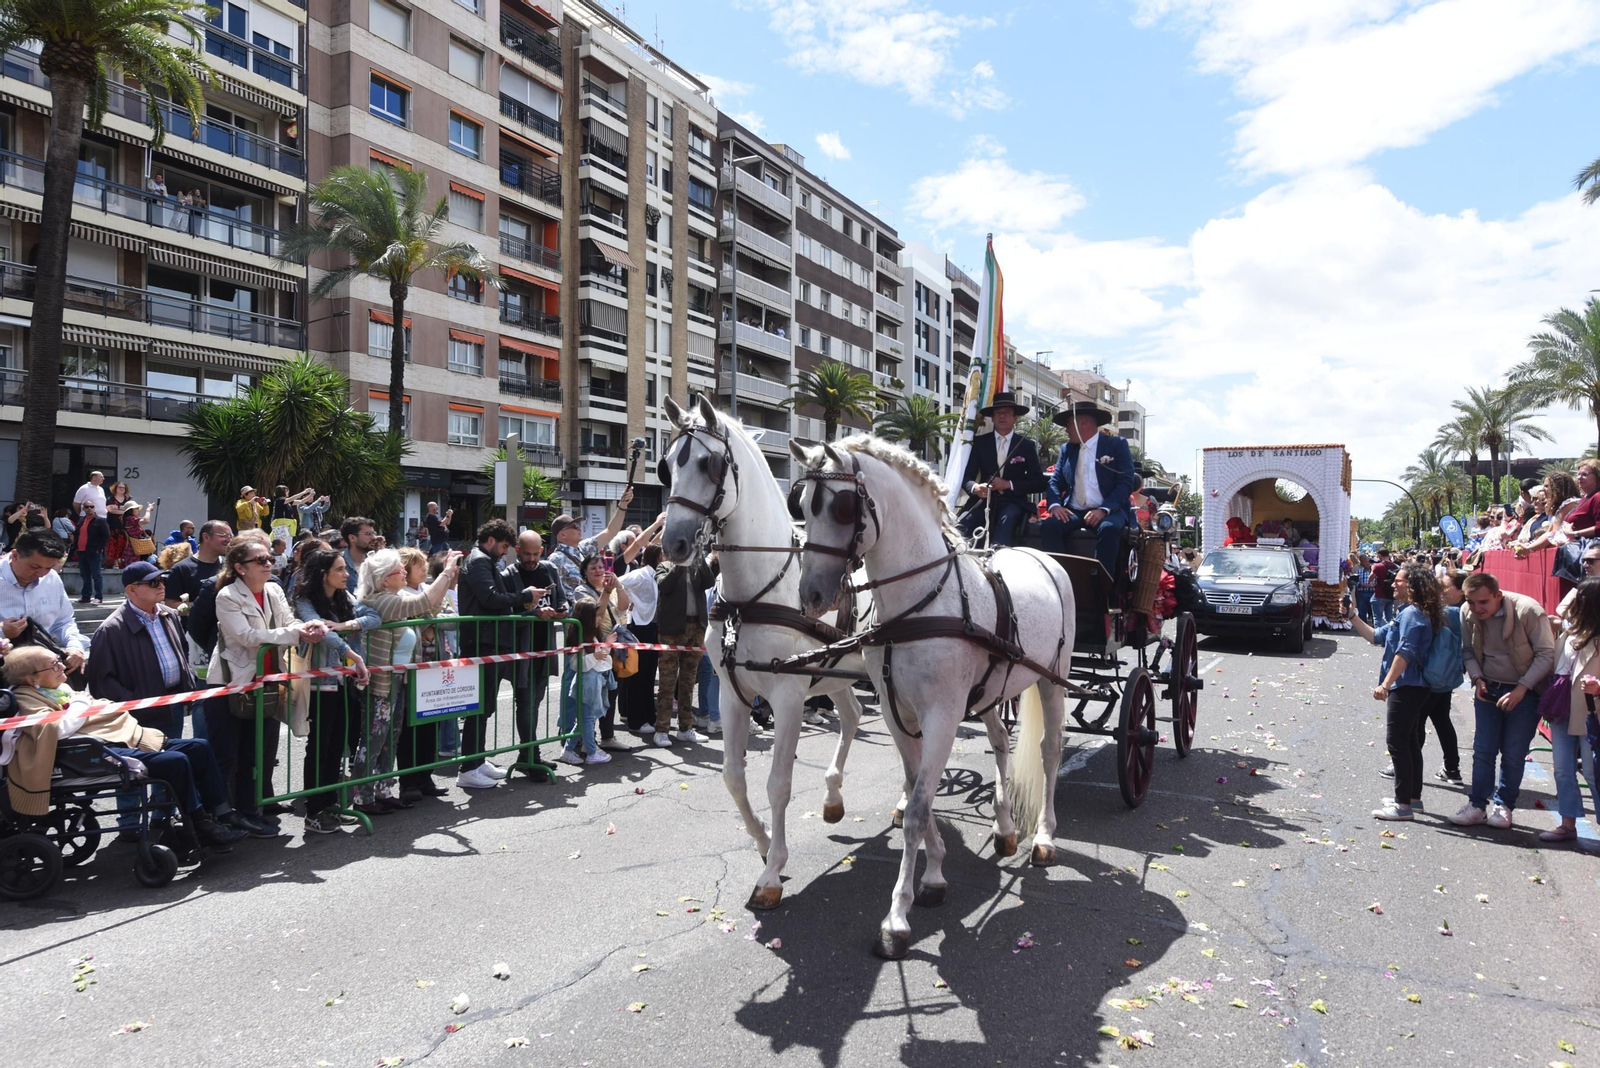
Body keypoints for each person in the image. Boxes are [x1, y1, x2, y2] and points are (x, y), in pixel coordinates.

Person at [5, 645, 245, 859]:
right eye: (53, 665)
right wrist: (81, 704)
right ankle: (201, 824)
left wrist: (84, 706)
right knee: (176, 760)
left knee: (198, 747)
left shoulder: (59, 688)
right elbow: (57, 730)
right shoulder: (26, 698)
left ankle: (220, 812)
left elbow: (86, 710)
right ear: (31, 679)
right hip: (95, 753)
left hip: (116, 739)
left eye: (58, 661)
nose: (61, 666)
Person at [209, 536, 327, 830]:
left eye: (270, 559)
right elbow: (247, 637)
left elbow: (289, 620)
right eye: (260, 560)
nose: (268, 564)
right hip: (234, 682)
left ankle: (251, 810)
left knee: (256, 753)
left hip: (268, 680)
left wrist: (305, 627)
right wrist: (296, 634)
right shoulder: (227, 596)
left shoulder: (274, 589)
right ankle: (222, 816)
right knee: (228, 754)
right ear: (240, 567)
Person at [1448, 572, 1557, 830]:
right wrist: (1477, 678)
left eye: (1483, 602)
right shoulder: (1466, 611)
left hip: (1526, 692)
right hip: (1488, 688)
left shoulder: (1528, 610)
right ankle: (1477, 805)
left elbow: (1546, 654)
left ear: (1498, 595)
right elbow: (1467, 651)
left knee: (1514, 753)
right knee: (1483, 750)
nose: (1477, 608)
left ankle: (1504, 805)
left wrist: (1522, 688)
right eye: (1471, 602)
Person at [356, 547, 460, 813]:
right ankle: (363, 797)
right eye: (398, 570)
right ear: (383, 578)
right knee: (374, 740)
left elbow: (432, 607)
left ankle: (383, 790)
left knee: (390, 739)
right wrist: (447, 572)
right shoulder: (382, 600)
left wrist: (447, 577)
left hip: (398, 681)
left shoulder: (395, 596)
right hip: (381, 683)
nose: (403, 571)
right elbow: (424, 602)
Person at [456, 519, 542, 789]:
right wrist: (525, 595)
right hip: (483, 642)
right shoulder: (479, 561)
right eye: (504, 546)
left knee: (484, 707)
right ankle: (468, 768)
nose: (506, 552)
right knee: (479, 708)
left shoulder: (484, 560)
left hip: (490, 642)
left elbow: (494, 601)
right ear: (491, 540)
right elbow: (490, 599)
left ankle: (477, 761)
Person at [1350, 562, 1439, 820]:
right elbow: (1376, 636)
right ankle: (1412, 799)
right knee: (1409, 742)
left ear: (1412, 585)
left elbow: (1405, 652)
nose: (1392, 584)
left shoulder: (1412, 614)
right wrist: (1352, 616)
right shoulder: (1409, 612)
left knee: (1398, 743)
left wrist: (1386, 684)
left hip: (1408, 686)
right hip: (1411, 686)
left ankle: (1402, 805)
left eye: (1398, 580)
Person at [1040, 398, 1139, 580]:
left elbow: (1125, 483)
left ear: (1083, 423)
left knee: (1109, 528)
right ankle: (1060, 580)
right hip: (1075, 511)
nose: (1066, 429)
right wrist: (1055, 506)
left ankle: (1101, 586)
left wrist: (1103, 509)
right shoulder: (1067, 449)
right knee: (1049, 526)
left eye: (1069, 424)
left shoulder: (1116, 445)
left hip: (1109, 511)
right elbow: (1055, 482)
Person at [1544, 575, 1600, 844]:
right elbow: (1561, 609)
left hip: (1592, 713)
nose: (1573, 602)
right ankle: (1567, 825)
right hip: (1562, 706)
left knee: (1592, 772)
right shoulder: (1569, 630)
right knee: (1563, 768)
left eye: (1580, 598)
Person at [504, 530, 569, 759]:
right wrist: (535, 613)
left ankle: (528, 754)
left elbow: (562, 598)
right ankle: (531, 754)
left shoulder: (549, 569)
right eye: (527, 554)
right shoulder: (509, 575)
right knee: (526, 703)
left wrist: (563, 610)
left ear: (542, 551)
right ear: (517, 551)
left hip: (545, 646)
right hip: (521, 649)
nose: (531, 559)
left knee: (536, 702)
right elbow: (506, 614)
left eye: (535, 554)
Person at [955, 391, 1047, 548]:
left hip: (1013, 502)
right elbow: (967, 477)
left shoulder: (1026, 445)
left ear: (1015, 418)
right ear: (992, 417)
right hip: (983, 501)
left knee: (1007, 521)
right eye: (998, 413)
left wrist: (1008, 484)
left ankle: (996, 556)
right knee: (962, 525)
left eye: (1007, 413)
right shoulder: (980, 443)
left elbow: (1038, 482)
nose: (1002, 416)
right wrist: (976, 488)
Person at [560, 552, 629, 759]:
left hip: (609, 646)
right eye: (593, 568)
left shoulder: (611, 587)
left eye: (601, 567)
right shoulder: (582, 591)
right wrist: (606, 592)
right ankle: (586, 746)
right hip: (593, 647)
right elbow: (594, 615)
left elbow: (624, 607)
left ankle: (606, 737)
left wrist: (618, 586)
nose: (599, 571)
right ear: (584, 572)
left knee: (608, 696)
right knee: (588, 708)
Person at [0, 530, 88, 672]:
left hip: (44, 670)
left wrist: (75, 646)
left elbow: (63, 621)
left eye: (48, 568)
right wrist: (2, 631)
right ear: (15, 555)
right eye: (34, 567)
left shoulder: (51, 578)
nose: (41, 574)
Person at [653, 551, 713, 746]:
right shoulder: (664, 567)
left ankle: (685, 728)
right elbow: (664, 586)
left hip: (696, 628)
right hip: (671, 631)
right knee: (667, 682)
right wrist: (680, 565)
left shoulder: (697, 568)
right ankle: (662, 730)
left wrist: (699, 559)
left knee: (688, 682)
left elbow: (710, 581)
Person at [547, 487, 635, 599]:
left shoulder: (584, 547)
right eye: (574, 526)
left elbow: (611, 531)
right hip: (575, 608)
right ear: (562, 534)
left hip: (597, 604)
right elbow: (553, 592)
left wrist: (623, 505)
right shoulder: (555, 559)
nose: (579, 529)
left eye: (578, 525)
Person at [618, 542, 665, 736]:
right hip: (639, 626)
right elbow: (619, 582)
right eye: (664, 555)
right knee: (638, 676)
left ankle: (648, 715)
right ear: (658, 557)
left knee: (648, 675)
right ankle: (636, 720)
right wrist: (628, 601)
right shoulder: (642, 574)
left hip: (652, 627)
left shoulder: (657, 574)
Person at [559, 599, 613, 766]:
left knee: (584, 719)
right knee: (587, 719)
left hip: (594, 682)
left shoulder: (592, 636)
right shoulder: (579, 639)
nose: (600, 619)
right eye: (596, 616)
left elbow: (601, 658)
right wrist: (595, 656)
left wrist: (607, 646)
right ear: (588, 619)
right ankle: (591, 752)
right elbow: (576, 664)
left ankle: (568, 751)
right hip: (587, 683)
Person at [165, 520, 231, 614]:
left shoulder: (230, 566)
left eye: (231, 536)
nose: (229, 540)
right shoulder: (181, 569)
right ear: (206, 537)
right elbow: (170, 605)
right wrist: (202, 607)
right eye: (223, 535)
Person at [76, 502, 110, 605]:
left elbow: (106, 536)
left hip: (94, 551)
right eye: (87, 507)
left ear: (94, 508)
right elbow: (77, 534)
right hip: (81, 551)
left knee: (96, 575)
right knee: (85, 575)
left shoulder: (100, 521)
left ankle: (98, 597)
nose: (89, 509)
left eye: (91, 507)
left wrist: (99, 548)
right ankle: (86, 596)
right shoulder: (81, 521)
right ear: (83, 509)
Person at [340, 515, 378, 593]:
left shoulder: (377, 563)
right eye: (368, 534)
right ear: (352, 538)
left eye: (374, 533)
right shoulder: (338, 564)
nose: (374, 537)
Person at [1369, 549, 1396, 627]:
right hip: (1390, 594)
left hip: (1379, 594)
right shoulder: (1395, 566)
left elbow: (1370, 578)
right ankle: (1391, 632)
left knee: (1377, 618)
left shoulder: (1377, 566)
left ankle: (1378, 633)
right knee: (1389, 617)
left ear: (1380, 555)